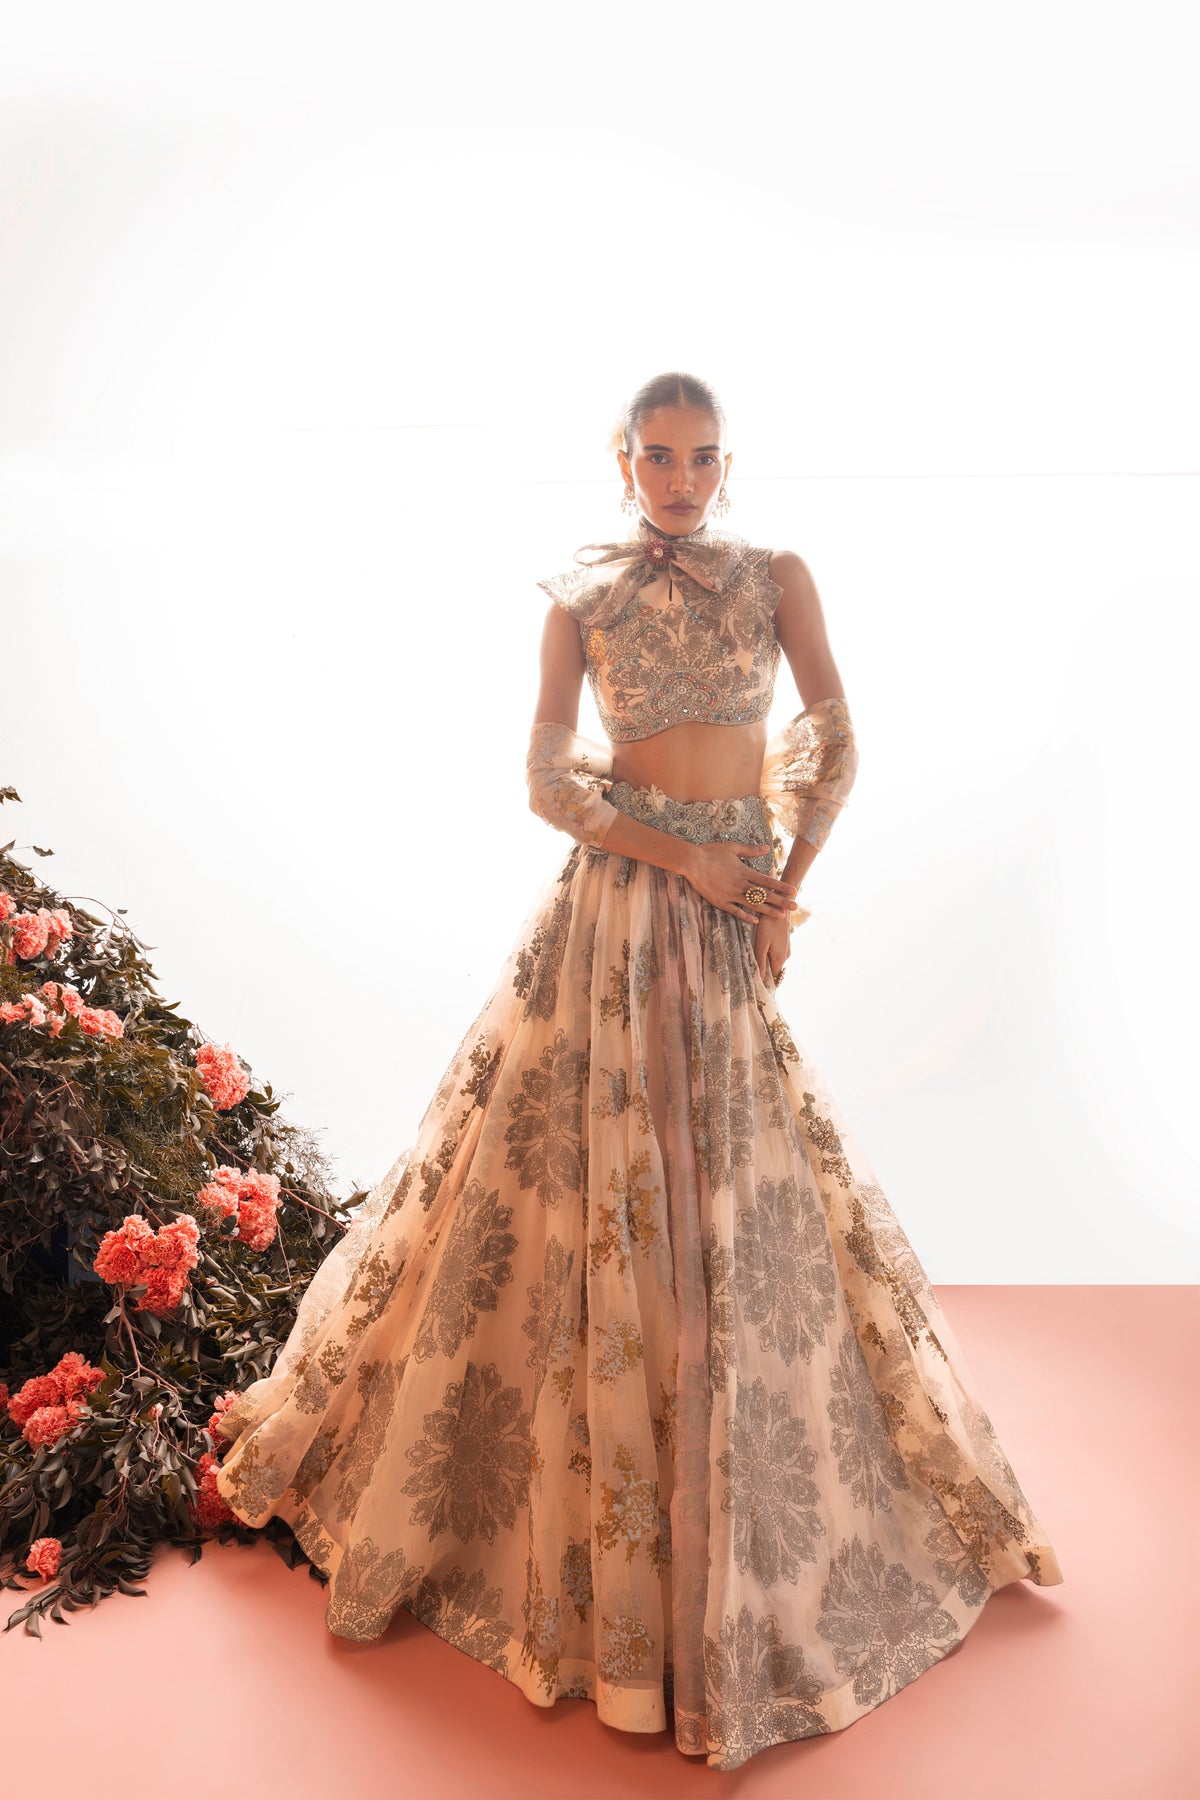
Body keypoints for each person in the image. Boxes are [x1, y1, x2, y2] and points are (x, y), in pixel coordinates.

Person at [215, 370, 1063, 1773]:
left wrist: (780, 890)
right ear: (621, 461)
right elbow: (549, 782)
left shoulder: (779, 577)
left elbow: (834, 743)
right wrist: (689, 860)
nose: (681, 479)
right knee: (584, 1183)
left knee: (729, 1183)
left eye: (703, 457)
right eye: (659, 456)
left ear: (729, 464)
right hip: (617, 913)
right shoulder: (582, 597)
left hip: (729, 915)